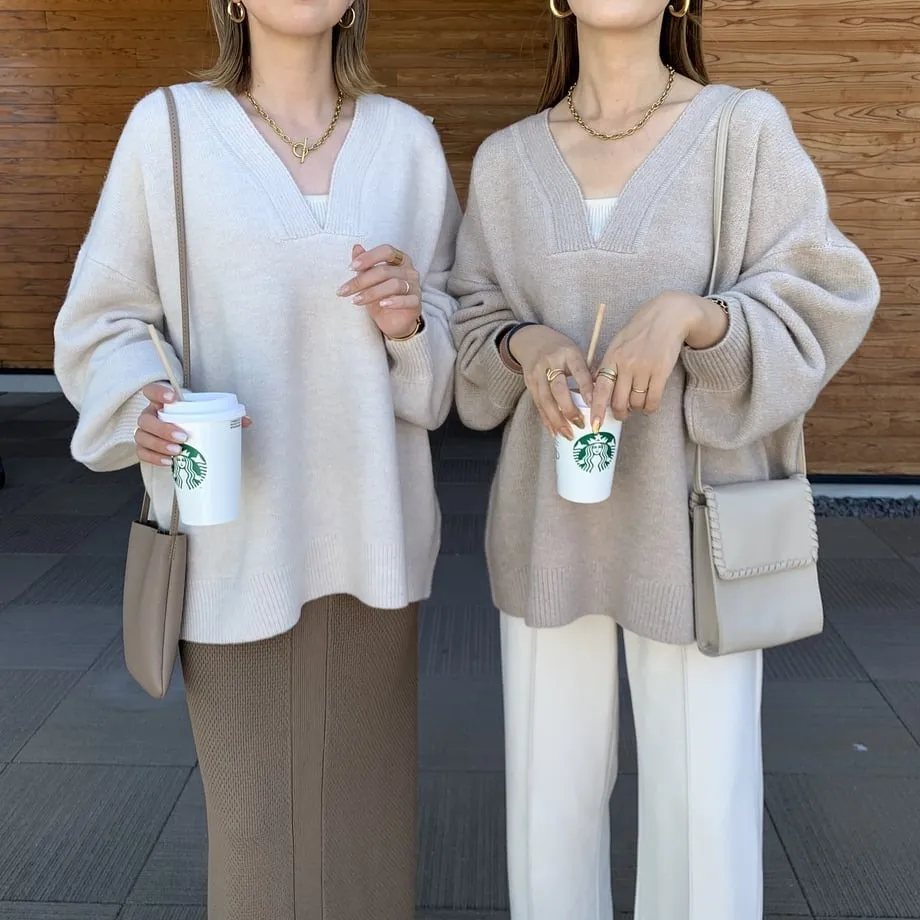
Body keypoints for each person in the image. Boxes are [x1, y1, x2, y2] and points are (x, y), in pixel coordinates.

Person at [449, 0, 879, 917]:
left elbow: (829, 293)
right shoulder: (506, 161)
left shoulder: (742, 131)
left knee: (703, 813)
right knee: (547, 809)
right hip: (548, 522)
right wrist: (526, 344)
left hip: (692, 527)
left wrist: (698, 317)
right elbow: (472, 322)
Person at [54, 1, 460, 917]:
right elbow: (104, 317)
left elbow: (447, 358)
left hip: (374, 540)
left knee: (369, 834)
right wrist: (141, 398)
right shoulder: (168, 129)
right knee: (255, 840)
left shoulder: (408, 142)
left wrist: (409, 323)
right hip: (234, 540)